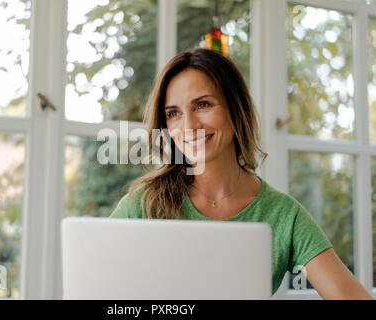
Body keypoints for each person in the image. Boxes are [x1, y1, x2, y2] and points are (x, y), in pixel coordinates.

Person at [109, 48, 372, 299]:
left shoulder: (282, 215)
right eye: (174, 113)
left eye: (202, 105)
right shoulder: (144, 204)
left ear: (235, 109)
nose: (188, 125)